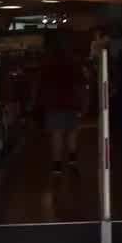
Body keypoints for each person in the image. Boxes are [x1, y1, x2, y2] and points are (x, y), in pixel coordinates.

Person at [35, 33, 87, 174]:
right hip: (72, 101)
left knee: (56, 134)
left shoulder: (47, 62)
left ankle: (57, 164)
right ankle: (72, 158)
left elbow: (41, 85)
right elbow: (80, 84)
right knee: (72, 132)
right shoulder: (74, 62)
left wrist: (38, 102)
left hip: (53, 103)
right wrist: (83, 103)